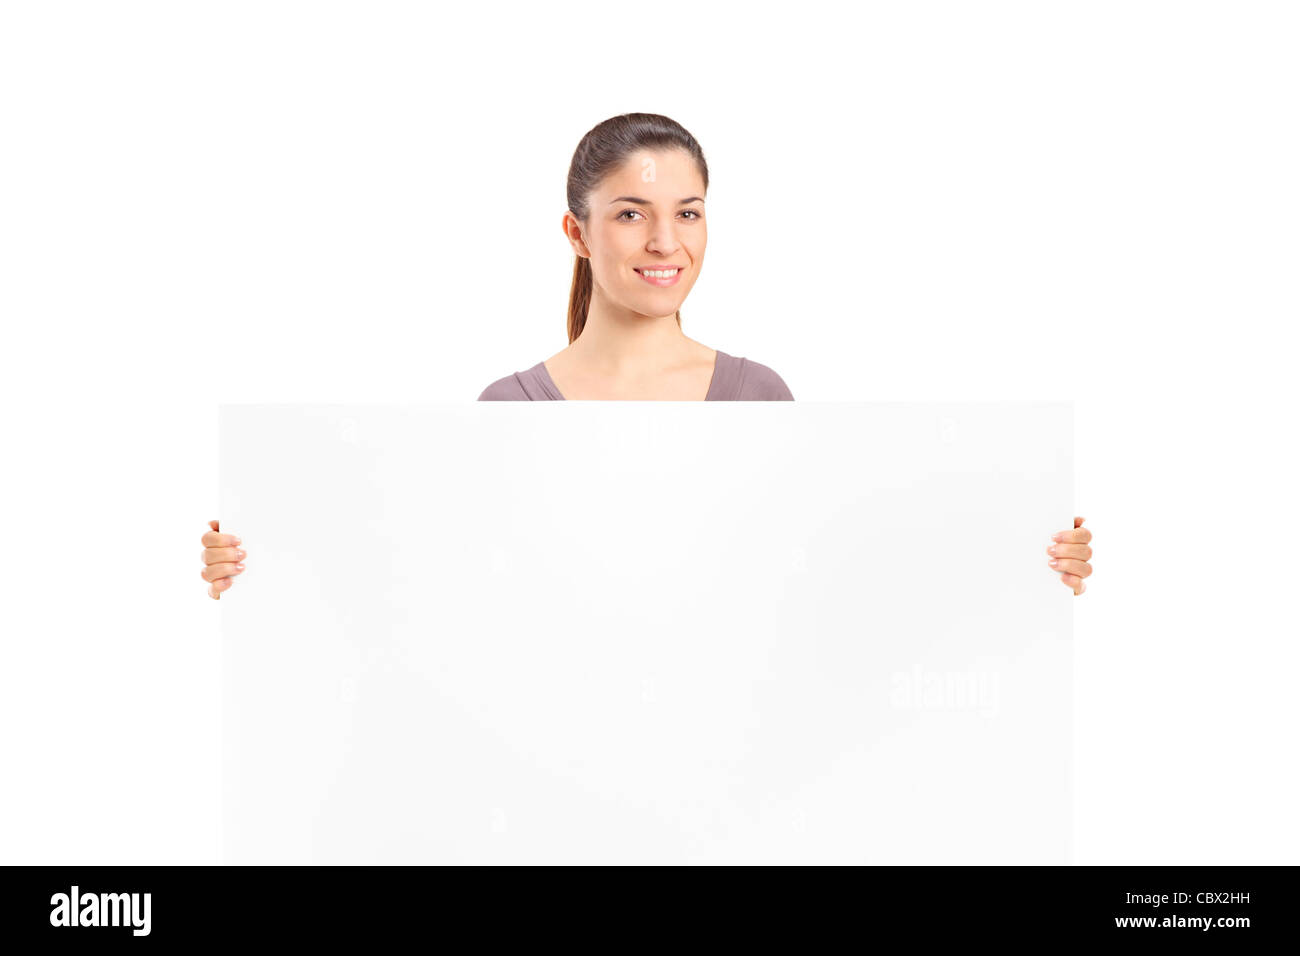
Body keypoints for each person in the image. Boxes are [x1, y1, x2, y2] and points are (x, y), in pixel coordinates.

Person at [202, 113, 1092, 597]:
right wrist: (260, 564)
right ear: (577, 234)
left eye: (690, 211)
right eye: (631, 212)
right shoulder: (508, 414)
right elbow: (437, 593)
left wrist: (1025, 553)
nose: (666, 240)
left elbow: (836, 581)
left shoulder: (757, 398)